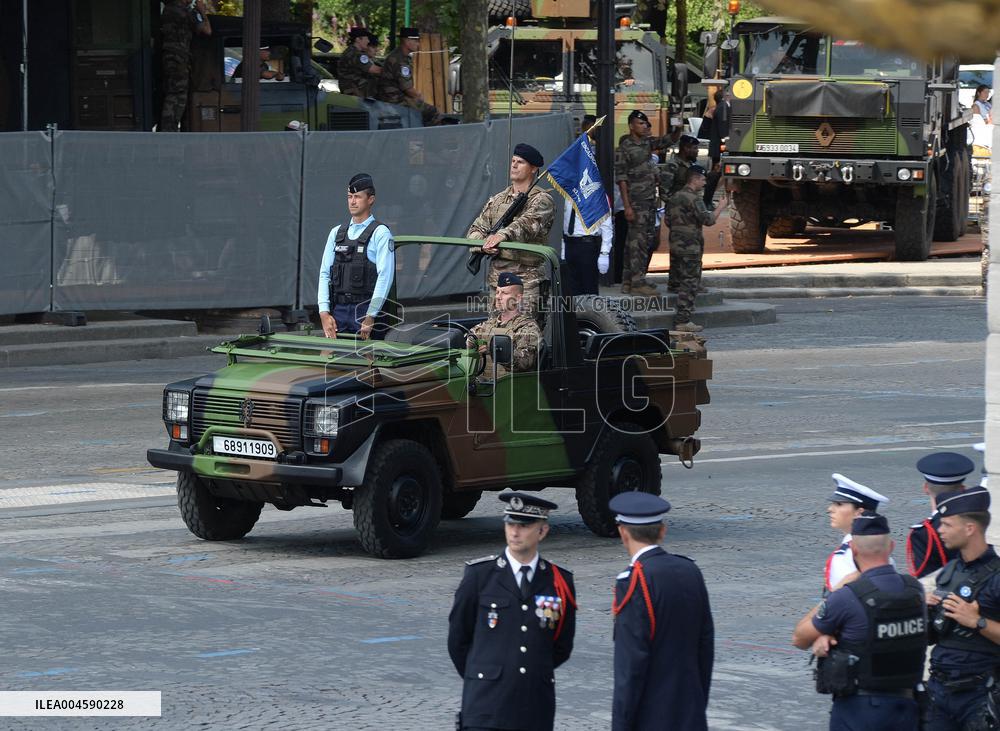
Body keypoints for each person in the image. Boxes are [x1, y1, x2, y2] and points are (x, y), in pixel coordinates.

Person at [447, 491, 576, 731]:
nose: (515, 532)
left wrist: (532, 673)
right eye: (510, 524)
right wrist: (484, 675)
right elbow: (458, 639)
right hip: (485, 707)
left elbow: (561, 645)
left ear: (542, 531)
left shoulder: (558, 581)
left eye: (524, 525)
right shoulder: (480, 576)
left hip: (534, 707)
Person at [792, 513, 927, 731]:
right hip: (907, 705)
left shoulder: (847, 596)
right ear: (891, 547)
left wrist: (834, 593)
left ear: (853, 550)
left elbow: (799, 638)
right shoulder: (914, 590)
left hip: (860, 709)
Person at [609, 491, 713, 730]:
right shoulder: (690, 571)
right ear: (662, 531)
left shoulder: (634, 580)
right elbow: (705, 646)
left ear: (623, 533)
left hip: (650, 718)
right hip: (691, 714)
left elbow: (631, 665)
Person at [923, 486, 1000, 730]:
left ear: (969, 528)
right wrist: (926, 612)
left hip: (979, 694)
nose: (940, 530)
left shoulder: (997, 576)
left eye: (946, 524)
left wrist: (977, 622)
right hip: (939, 690)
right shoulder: (949, 572)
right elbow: (933, 635)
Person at [467, 143, 554, 319]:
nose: (513, 165)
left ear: (533, 168)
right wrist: (482, 246)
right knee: (496, 332)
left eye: (520, 162)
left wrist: (502, 235)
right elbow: (475, 229)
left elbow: (527, 224)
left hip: (526, 281)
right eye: (513, 161)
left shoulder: (542, 200)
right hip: (497, 282)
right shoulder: (497, 200)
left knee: (523, 332)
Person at [317, 173, 395, 340]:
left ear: (370, 199)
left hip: (365, 310)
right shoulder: (336, 233)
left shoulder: (380, 233)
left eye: (357, 197)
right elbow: (324, 274)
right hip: (338, 310)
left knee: (367, 362)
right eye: (349, 196)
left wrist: (371, 315)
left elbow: (385, 276)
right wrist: (324, 313)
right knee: (336, 363)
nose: (352, 201)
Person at [663, 165, 727, 332]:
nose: (705, 183)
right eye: (703, 180)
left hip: (676, 243)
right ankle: (682, 320)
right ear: (696, 179)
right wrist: (720, 207)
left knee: (677, 277)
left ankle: (673, 286)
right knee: (689, 283)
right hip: (690, 246)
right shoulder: (694, 199)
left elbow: (668, 220)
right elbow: (708, 220)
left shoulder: (675, 196)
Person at [615, 110, 673, 296]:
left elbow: (666, 141)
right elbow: (621, 179)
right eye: (641, 124)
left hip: (648, 200)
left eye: (646, 124)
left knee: (639, 240)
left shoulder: (647, 143)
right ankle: (637, 282)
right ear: (632, 126)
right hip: (635, 201)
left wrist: (678, 127)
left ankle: (628, 281)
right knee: (638, 242)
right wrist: (628, 206)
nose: (645, 127)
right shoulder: (624, 148)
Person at [907, 452, 975, 580]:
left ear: (926, 488)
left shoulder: (925, 533)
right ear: (963, 489)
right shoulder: (977, 521)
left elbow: (926, 580)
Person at [466, 272, 543, 379]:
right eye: (497, 292)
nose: (498, 297)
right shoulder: (487, 325)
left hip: (512, 389)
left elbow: (524, 363)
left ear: (517, 298)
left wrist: (495, 350)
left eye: (504, 293)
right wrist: (474, 343)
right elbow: (471, 339)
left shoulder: (527, 328)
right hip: (485, 388)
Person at [824, 473, 889, 594]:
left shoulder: (852, 554)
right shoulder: (875, 549)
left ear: (858, 513)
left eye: (839, 504)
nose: (830, 509)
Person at [158, 0, 211, 132]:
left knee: (173, 93)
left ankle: (168, 128)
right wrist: (202, 12)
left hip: (171, 58)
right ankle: (169, 130)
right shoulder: (182, 12)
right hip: (179, 58)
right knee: (177, 95)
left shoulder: (169, 10)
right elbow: (207, 31)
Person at [659, 135, 699, 293]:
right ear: (685, 149)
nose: (696, 151)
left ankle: (688, 281)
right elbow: (664, 192)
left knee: (691, 248)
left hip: (690, 213)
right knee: (678, 250)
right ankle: (675, 282)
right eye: (694, 148)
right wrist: (678, 205)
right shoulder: (673, 166)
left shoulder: (690, 164)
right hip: (677, 213)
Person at [376, 27, 440, 126]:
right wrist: (419, 97)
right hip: (394, 100)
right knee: (432, 111)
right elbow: (408, 88)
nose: (418, 44)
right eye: (415, 41)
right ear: (407, 41)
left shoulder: (399, 55)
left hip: (392, 97)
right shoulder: (400, 60)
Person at [561, 196, 612, 296]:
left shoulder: (596, 192)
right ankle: (573, 311)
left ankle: (589, 311)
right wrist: (563, 246)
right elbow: (564, 220)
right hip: (569, 244)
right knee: (569, 290)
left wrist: (604, 253)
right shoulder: (567, 191)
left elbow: (606, 224)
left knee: (589, 289)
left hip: (587, 245)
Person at [703, 89, 730, 208]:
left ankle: (707, 200)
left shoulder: (720, 106)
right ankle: (706, 200)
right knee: (715, 175)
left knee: (716, 174)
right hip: (720, 148)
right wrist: (727, 141)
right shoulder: (723, 107)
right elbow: (723, 127)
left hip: (718, 147)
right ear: (725, 96)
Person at [338, 27, 381, 97]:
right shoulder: (356, 54)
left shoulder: (351, 52)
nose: (367, 41)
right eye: (366, 38)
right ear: (358, 39)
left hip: (354, 92)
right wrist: (393, 71)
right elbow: (375, 70)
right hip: (356, 93)